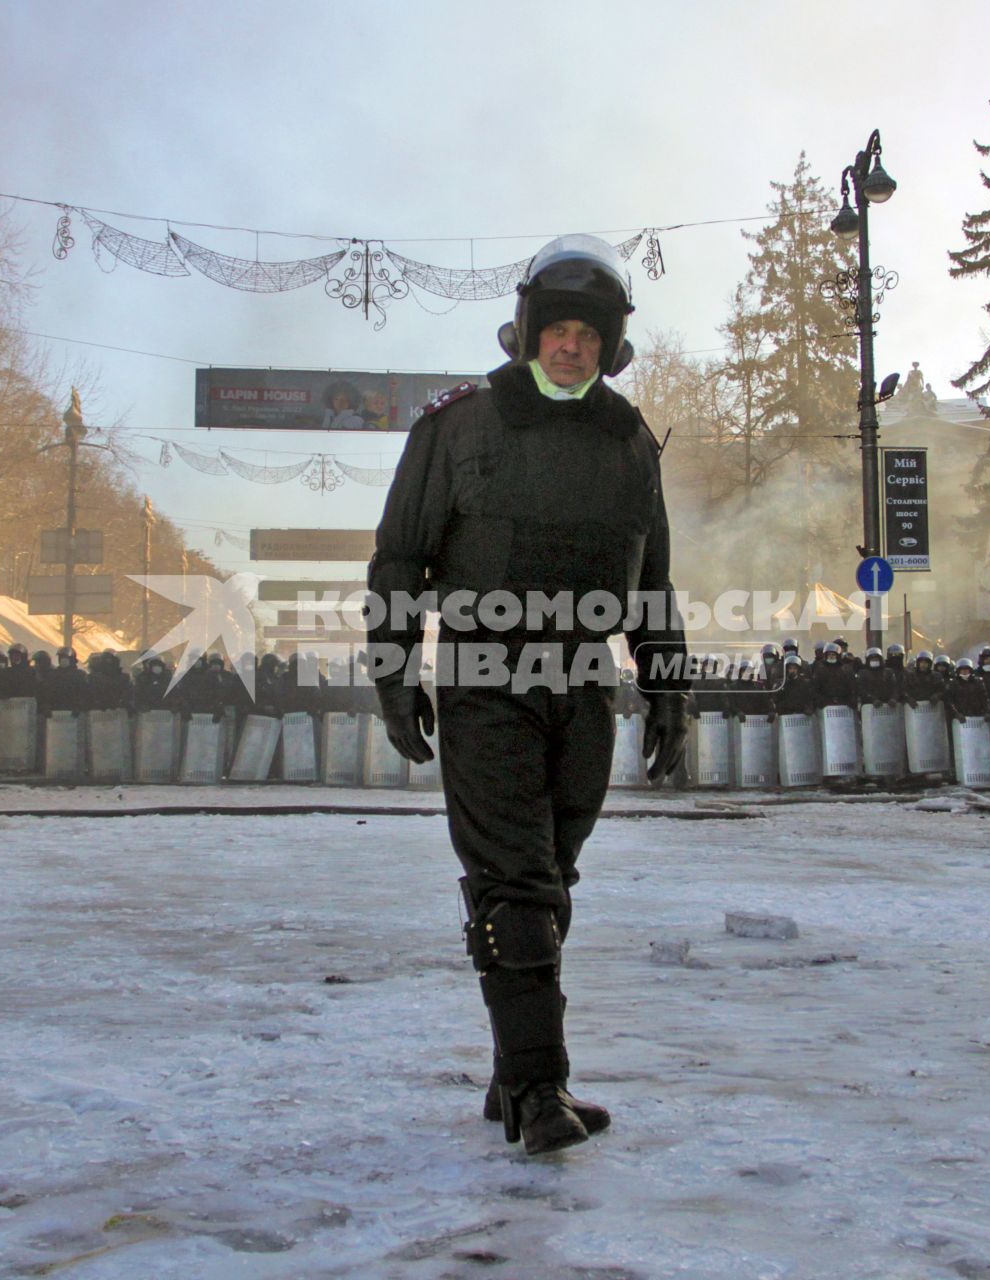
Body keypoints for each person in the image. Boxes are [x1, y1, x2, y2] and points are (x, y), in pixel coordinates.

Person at [365, 233, 687, 1155]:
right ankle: (542, 1089)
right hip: (484, 675)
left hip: (585, 682)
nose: (571, 346)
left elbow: (652, 578)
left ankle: (513, 1073)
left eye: (589, 333)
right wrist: (396, 672)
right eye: (557, 328)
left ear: (610, 344)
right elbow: (400, 557)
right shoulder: (460, 425)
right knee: (517, 878)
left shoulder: (629, 440)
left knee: (552, 877)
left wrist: (669, 686)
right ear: (527, 331)